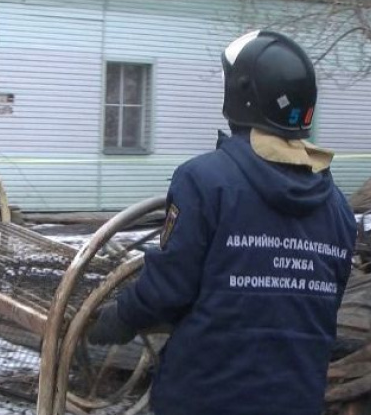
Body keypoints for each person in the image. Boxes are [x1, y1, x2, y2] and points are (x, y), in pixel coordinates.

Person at [87, 31, 357, 415]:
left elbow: (169, 287)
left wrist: (123, 315)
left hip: (204, 397)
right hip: (296, 399)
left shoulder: (205, 180)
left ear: (240, 94)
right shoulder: (337, 207)